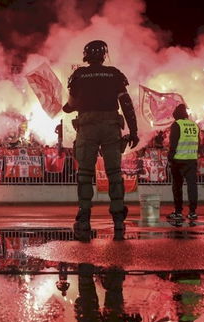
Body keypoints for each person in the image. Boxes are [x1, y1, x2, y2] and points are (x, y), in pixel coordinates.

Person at [62, 40, 139, 242]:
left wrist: (66, 108)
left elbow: (72, 104)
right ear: (104, 55)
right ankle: (118, 220)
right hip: (110, 126)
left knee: (85, 174)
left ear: (86, 56)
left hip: (86, 127)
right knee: (114, 173)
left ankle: (84, 218)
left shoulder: (78, 75)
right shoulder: (114, 74)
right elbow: (126, 103)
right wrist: (134, 130)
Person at [167, 104, 199, 221]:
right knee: (192, 186)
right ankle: (192, 212)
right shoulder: (194, 125)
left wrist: (170, 157)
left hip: (178, 161)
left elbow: (173, 144)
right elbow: (198, 143)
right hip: (191, 160)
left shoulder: (177, 125)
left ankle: (178, 212)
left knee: (177, 186)